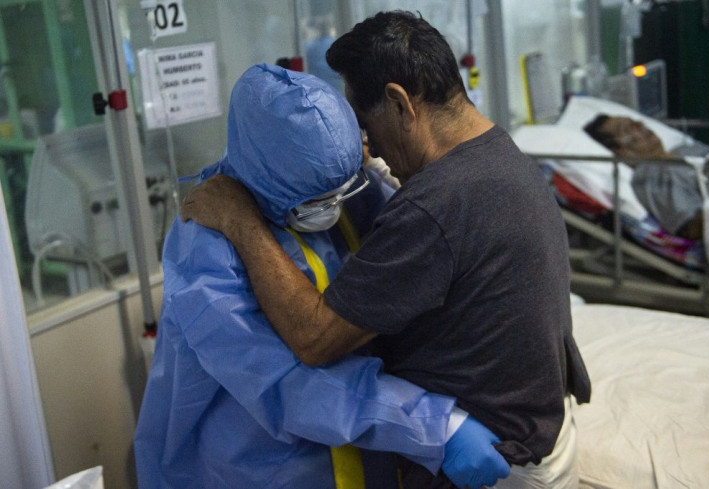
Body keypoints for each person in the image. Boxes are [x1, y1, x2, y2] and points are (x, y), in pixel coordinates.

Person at [181, 11, 591, 489]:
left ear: (399, 102)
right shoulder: (501, 156)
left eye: (364, 125)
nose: (368, 148)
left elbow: (314, 340)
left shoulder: (435, 206)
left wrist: (242, 222)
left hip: (492, 461)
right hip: (543, 428)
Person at [135, 63, 511, 489]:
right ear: (269, 175)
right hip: (262, 469)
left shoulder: (349, 188)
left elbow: (410, 249)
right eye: (316, 199)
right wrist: (433, 427)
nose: (332, 208)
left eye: (341, 189)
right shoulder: (206, 243)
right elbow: (279, 380)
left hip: (370, 455)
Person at [583, 114, 705, 240]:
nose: (640, 125)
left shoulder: (685, 149)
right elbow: (693, 229)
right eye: (627, 129)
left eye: (636, 122)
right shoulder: (649, 176)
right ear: (619, 152)